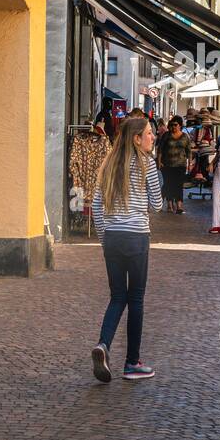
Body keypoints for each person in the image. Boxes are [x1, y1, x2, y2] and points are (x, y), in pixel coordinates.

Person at [91, 114, 162, 383]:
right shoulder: (147, 165)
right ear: (136, 138)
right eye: (148, 133)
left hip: (112, 238)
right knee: (136, 299)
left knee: (117, 296)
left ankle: (103, 345)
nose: (153, 137)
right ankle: (132, 362)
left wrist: (103, 240)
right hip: (136, 237)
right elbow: (156, 205)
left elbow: (97, 207)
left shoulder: (108, 164)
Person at [156, 115, 193, 213]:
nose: (173, 127)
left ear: (180, 125)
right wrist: (159, 162)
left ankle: (179, 205)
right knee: (168, 184)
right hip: (167, 165)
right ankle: (169, 204)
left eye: (175, 125)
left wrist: (190, 165)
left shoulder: (185, 137)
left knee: (178, 185)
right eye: (172, 125)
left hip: (180, 165)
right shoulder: (166, 135)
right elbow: (160, 149)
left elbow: (189, 151)